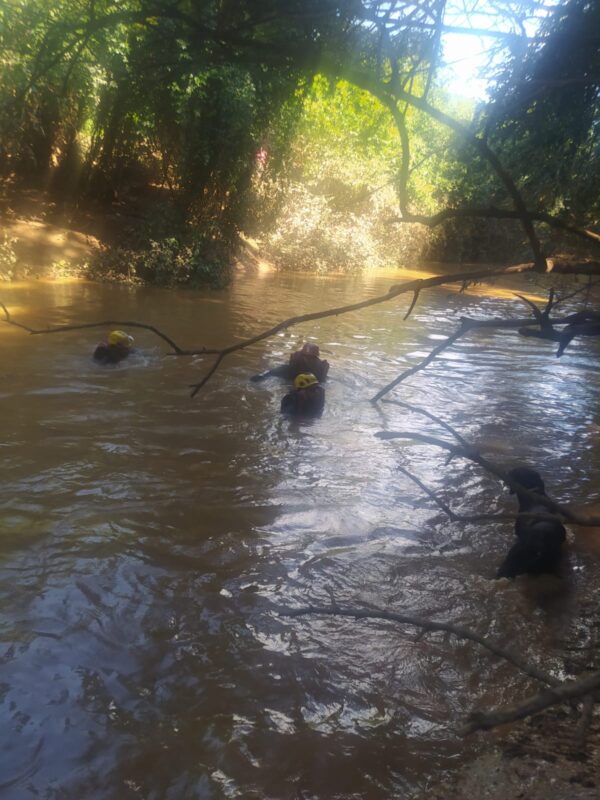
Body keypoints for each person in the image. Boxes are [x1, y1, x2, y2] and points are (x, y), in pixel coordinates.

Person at [496, 467, 566, 579]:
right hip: (552, 538)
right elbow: (562, 536)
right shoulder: (551, 507)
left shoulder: (524, 512)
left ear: (514, 487)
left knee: (501, 581)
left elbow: (520, 535)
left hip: (532, 538)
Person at [251, 343, 330, 383]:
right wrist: (261, 376)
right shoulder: (292, 367)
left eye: (314, 358)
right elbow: (272, 372)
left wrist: (262, 376)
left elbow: (272, 372)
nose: (314, 360)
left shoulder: (319, 368)